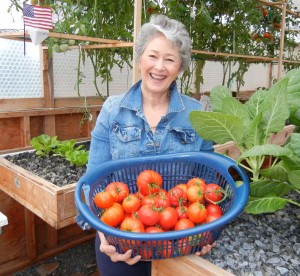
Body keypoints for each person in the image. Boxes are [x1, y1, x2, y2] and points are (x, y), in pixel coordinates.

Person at [78, 14, 216, 276]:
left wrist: (206, 229)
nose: (159, 67)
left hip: (180, 241)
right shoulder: (112, 110)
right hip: (120, 240)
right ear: (140, 57)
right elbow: (91, 180)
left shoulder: (197, 115)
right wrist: (103, 232)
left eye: (170, 59)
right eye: (153, 56)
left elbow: (208, 181)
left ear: (180, 67)